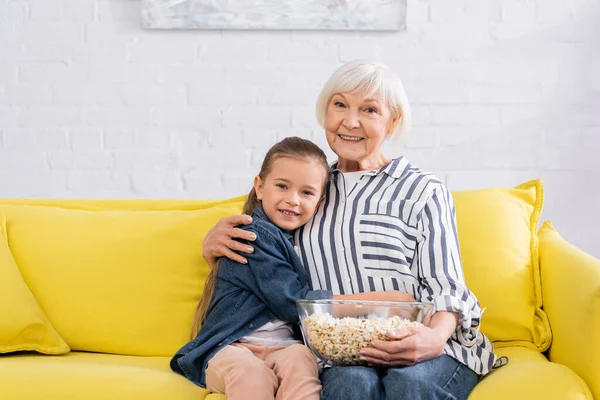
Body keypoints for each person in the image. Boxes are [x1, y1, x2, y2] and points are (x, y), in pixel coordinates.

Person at [202, 60, 503, 400]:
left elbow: (447, 286)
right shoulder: (308, 192)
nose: (350, 121)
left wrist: (432, 340)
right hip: (343, 353)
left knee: (409, 383)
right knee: (350, 385)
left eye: (370, 110)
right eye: (340, 104)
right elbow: (266, 251)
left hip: (426, 343)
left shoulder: (423, 191)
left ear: (393, 121)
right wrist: (211, 244)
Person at [170, 137, 334, 400]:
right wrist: (368, 302)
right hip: (230, 347)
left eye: (306, 192)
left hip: (282, 347)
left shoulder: (302, 239)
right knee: (250, 373)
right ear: (259, 187)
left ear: (320, 200)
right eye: (282, 186)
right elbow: (292, 303)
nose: (293, 200)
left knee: (301, 358)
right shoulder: (253, 235)